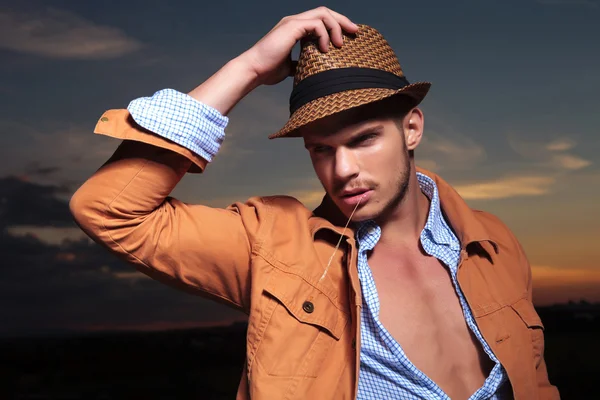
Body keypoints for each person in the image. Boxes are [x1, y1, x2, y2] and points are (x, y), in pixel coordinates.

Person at [70, 7, 559, 400]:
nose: (341, 169)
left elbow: (535, 382)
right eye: (321, 149)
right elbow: (109, 210)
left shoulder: (493, 241)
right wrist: (249, 69)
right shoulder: (277, 246)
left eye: (363, 140)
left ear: (411, 128)